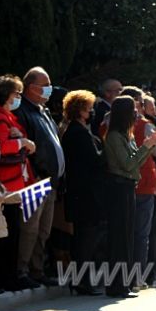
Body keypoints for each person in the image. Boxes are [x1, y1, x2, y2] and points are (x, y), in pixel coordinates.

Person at [13, 66, 65, 287]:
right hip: (35, 179)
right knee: (30, 229)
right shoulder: (22, 111)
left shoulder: (42, 111)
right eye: (44, 85)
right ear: (31, 88)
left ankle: (37, 269)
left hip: (50, 181)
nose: (48, 89)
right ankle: (21, 271)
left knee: (43, 230)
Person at [103, 96, 156, 298]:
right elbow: (127, 164)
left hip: (128, 188)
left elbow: (136, 162)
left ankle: (124, 283)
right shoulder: (114, 137)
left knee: (127, 236)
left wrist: (148, 145)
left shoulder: (126, 136)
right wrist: (146, 147)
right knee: (119, 237)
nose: (136, 114)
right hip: (118, 189)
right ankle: (116, 284)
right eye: (133, 111)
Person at [0, 75, 36, 293]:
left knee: (13, 233)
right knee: (8, 235)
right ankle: (5, 277)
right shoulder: (0, 117)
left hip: (16, 184)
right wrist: (22, 142)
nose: (19, 98)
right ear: (7, 95)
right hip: (7, 186)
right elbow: (1, 147)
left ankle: (9, 276)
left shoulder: (8, 116)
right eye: (16, 93)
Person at [121, 86, 156, 288]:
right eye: (140, 103)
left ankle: (125, 275)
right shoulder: (145, 125)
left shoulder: (109, 124)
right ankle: (138, 276)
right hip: (144, 183)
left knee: (126, 232)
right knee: (142, 234)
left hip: (123, 184)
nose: (141, 107)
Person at [61, 90, 107, 295]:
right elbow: (94, 160)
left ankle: (82, 280)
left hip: (83, 192)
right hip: (84, 193)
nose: (91, 112)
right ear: (80, 111)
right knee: (85, 239)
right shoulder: (77, 133)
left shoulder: (77, 131)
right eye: (88, 108)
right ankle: (82, 281)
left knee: (85, 237)